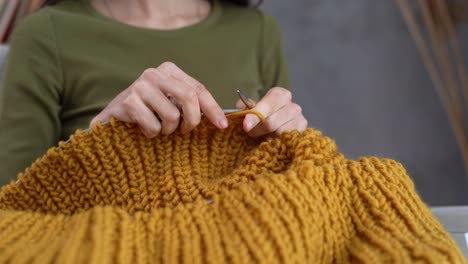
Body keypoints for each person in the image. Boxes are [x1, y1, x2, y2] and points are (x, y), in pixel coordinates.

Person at [0, 0, 307, 185]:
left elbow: (295, 188)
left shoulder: (258, 31)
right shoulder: (47, 35)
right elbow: (10, 212)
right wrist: (100, 139)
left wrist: (291, 143)